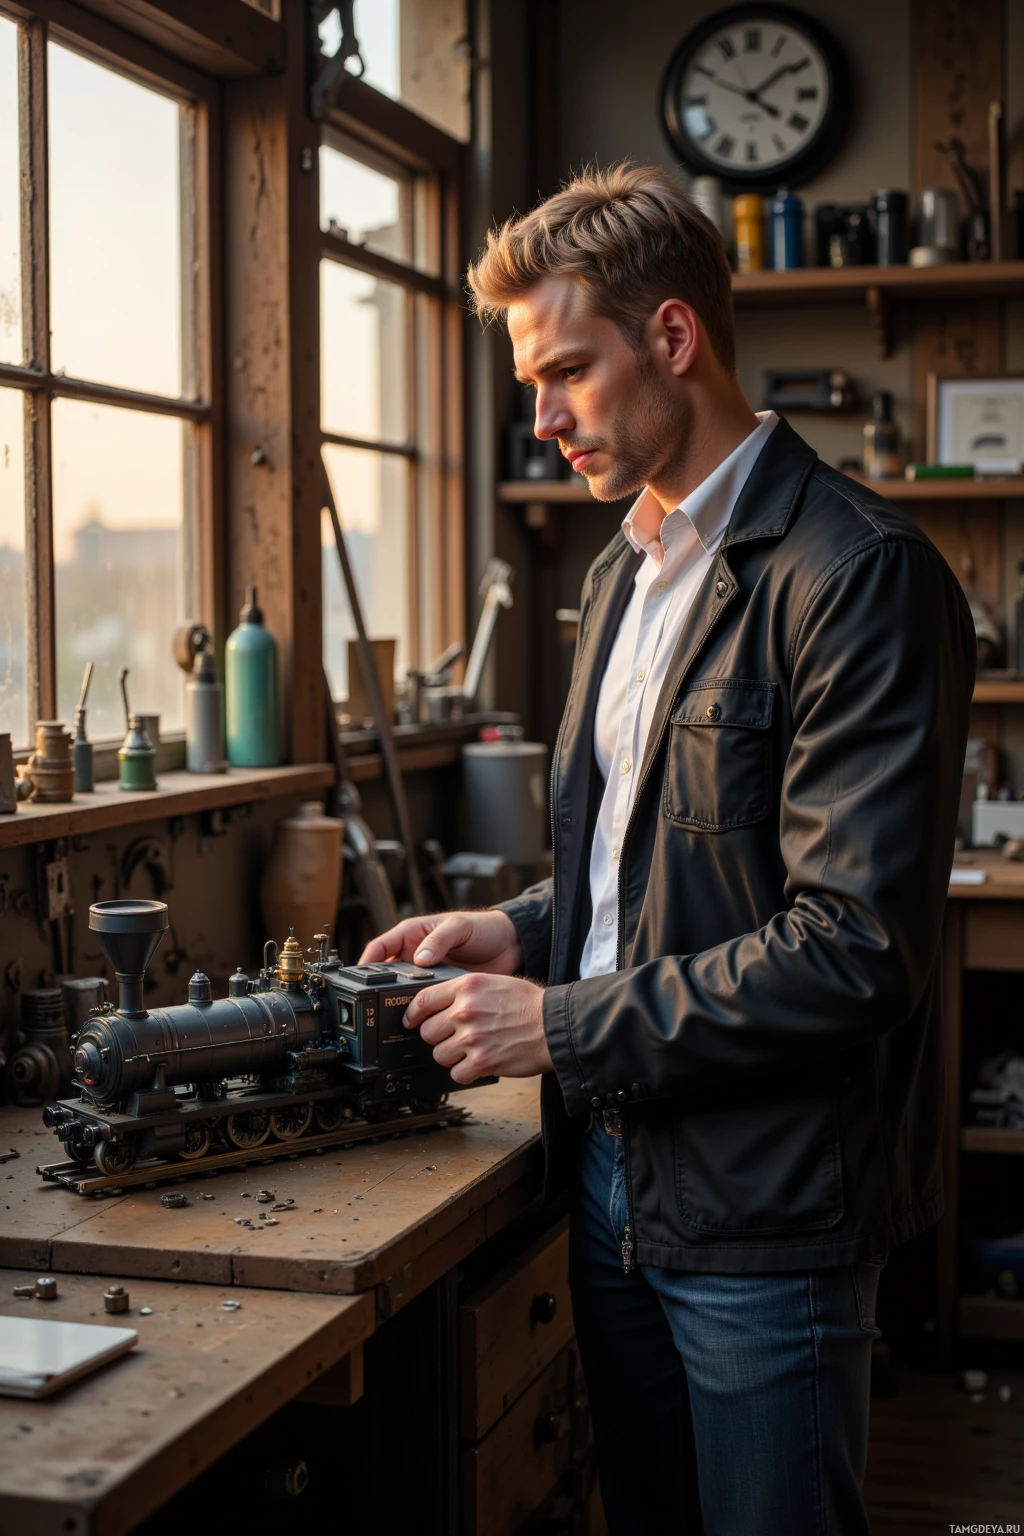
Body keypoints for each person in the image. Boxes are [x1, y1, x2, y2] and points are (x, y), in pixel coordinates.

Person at [359, 163, 975, 1535]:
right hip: (609, 1174)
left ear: (676, 340)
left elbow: (856, 949)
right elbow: (646, 850)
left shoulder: (856, 575)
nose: (541, 415)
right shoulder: (624, 572)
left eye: (567, 370)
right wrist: (519, 928)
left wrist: (558, 1021)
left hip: (766, 1206)